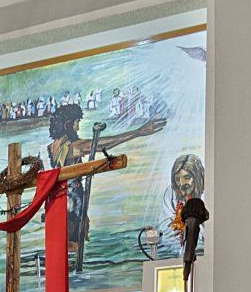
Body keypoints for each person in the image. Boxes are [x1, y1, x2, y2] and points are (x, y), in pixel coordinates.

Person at [45, 102, 166, 269]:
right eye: (76, 122)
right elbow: (103, 143)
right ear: (67, 124)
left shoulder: (52, 147)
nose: (78, 127)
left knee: (67, 244)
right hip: (71, 203)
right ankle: (70, 271)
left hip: (62, 201)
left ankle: (67, 269)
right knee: (72, 244)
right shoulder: (72, 148)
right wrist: (137, 132)